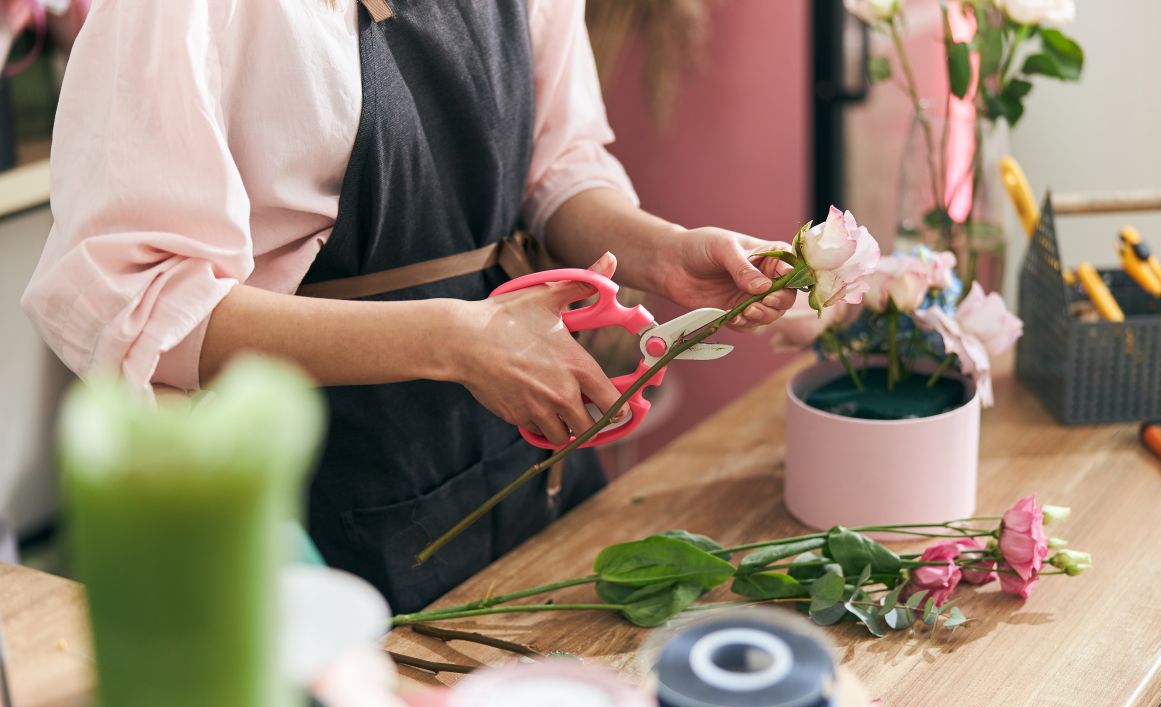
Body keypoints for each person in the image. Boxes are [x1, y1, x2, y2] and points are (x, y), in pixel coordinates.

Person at [23, 0, 796, 611]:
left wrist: (662, 251)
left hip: (517, 466)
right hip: (310, 494)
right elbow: (128, 301)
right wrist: (457, 341)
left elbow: (557, 166)